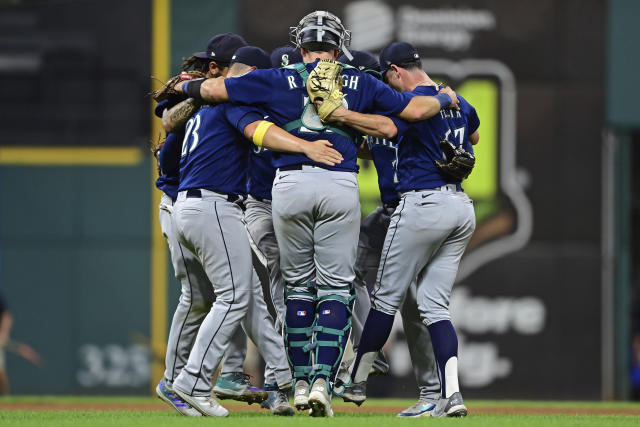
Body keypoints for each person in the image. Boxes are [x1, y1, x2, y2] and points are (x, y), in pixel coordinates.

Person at [169, 10, 458, 417]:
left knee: (297, 288)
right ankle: (324, 380)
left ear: (300, 46)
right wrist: (445, 97)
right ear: (339, 47)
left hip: (287, 187)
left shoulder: (276, 77)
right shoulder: (359, 79)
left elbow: (219, 91)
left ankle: (298, 381)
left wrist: (190, 84)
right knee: (337, 288)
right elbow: (408, 115)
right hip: (338, 182)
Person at [168, 45, 343, 417]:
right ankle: (191, 381)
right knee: (233, 297)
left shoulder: (204, 106)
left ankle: (262, 380)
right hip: (214, 205)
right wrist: (305, 145)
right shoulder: (233, 103)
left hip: (190, 204)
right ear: (249, 74)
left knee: (239, 298)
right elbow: (261, 133)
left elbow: (168, 151)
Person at [327, 42, 479, 417]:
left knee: (386, 300)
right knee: (434, 306)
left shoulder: (410, 102)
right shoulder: (452, 98)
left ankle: (358, 378)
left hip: (419, 206)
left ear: (394, 71)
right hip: (458, 207)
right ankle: (451, 396)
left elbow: (394, 121)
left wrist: (339, 113)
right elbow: (473, 136)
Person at [336, 50, 441, 417]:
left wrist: (443, 98)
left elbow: (468, 134)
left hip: (415, 211)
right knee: (340, 270)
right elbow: (370, 146)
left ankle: (431, 391)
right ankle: (371, 353)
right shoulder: (370, 116)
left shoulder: (412, 106)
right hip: (386, 214)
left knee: (414, 306)